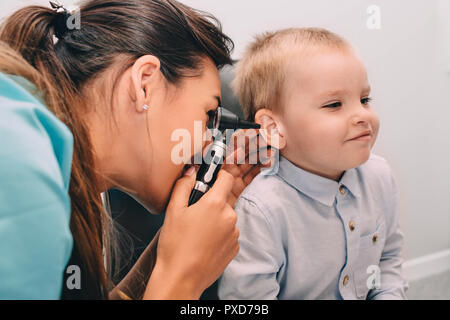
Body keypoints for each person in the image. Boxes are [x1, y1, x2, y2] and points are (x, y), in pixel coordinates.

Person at [0, 0, 265, 300]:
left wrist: (175, 249)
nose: (208, 143)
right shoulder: (21, 163)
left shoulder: (51, 162)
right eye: (209, 115)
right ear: (144, 84)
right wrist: (183, 276)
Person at [218, 27, 409, 299]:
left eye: (364, 99)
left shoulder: (379, 175)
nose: (362, 115)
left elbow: (388, 259)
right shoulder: (261, 210)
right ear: (274, 128)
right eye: (334, 105)